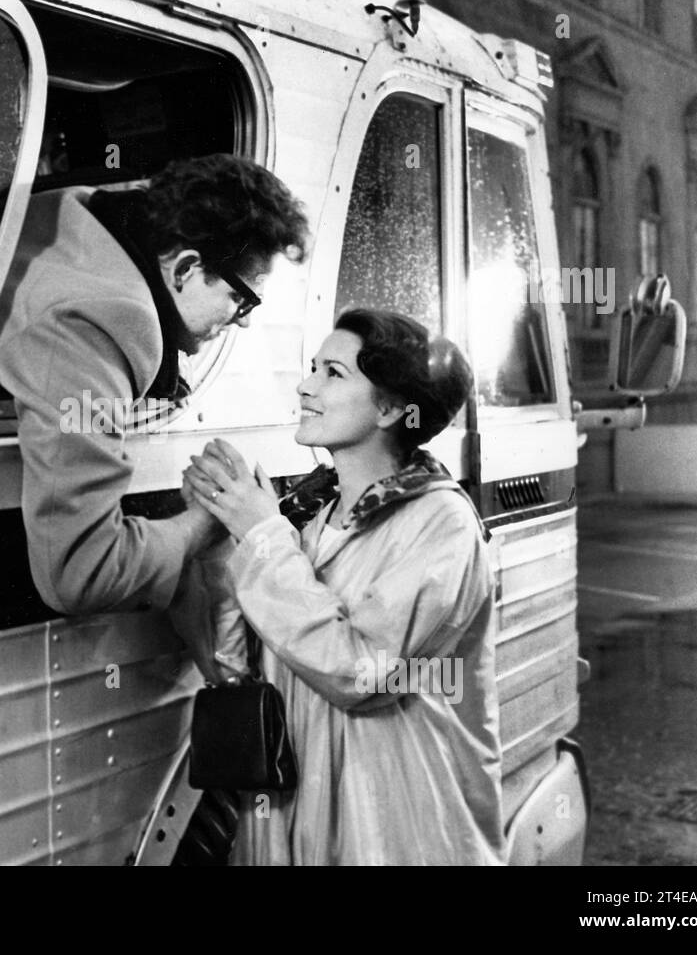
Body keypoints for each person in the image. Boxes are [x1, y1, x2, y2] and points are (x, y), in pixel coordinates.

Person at [181, 308, 506, 865]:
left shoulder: (440, 523)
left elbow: (361, 673)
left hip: (395, 832)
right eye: (312, 368)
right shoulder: (307, 517)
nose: (305, 386)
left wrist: (261, 535)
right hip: (294, 825)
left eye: (332, 373)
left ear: (388, 408)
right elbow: (234, 669)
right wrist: (220, 535)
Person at [0, 155, 308, 624]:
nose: (245, 321)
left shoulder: (75, 211)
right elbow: (84, 575)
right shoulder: (104, 325)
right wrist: (201, 525)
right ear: (187, 268)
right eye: (241, 297)